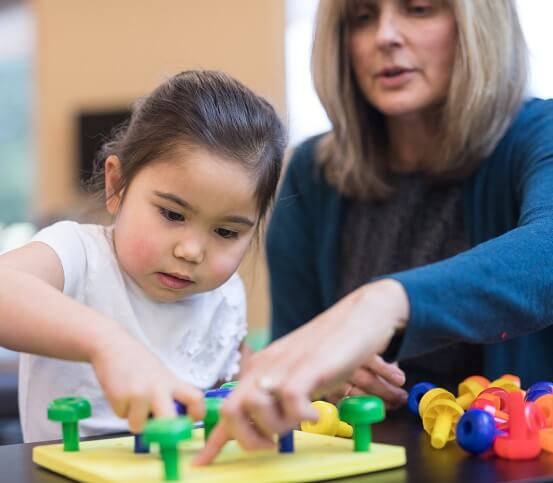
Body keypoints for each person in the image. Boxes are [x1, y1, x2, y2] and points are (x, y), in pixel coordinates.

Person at [194, 0, 553, 463]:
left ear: (478, 25)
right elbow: (301, 373)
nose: (385, 35)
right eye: (362, 18)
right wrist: (332, 384)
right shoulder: (311, 174)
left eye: (419, 9)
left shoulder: (538, 133)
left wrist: (382, 305)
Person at [0, 70, 286, 442]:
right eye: (172, 214)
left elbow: (231, 390)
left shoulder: (225, 295)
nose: (191, 251)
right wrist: (107, 343)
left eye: (226, 232)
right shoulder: (78, 254)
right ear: (117, 185)